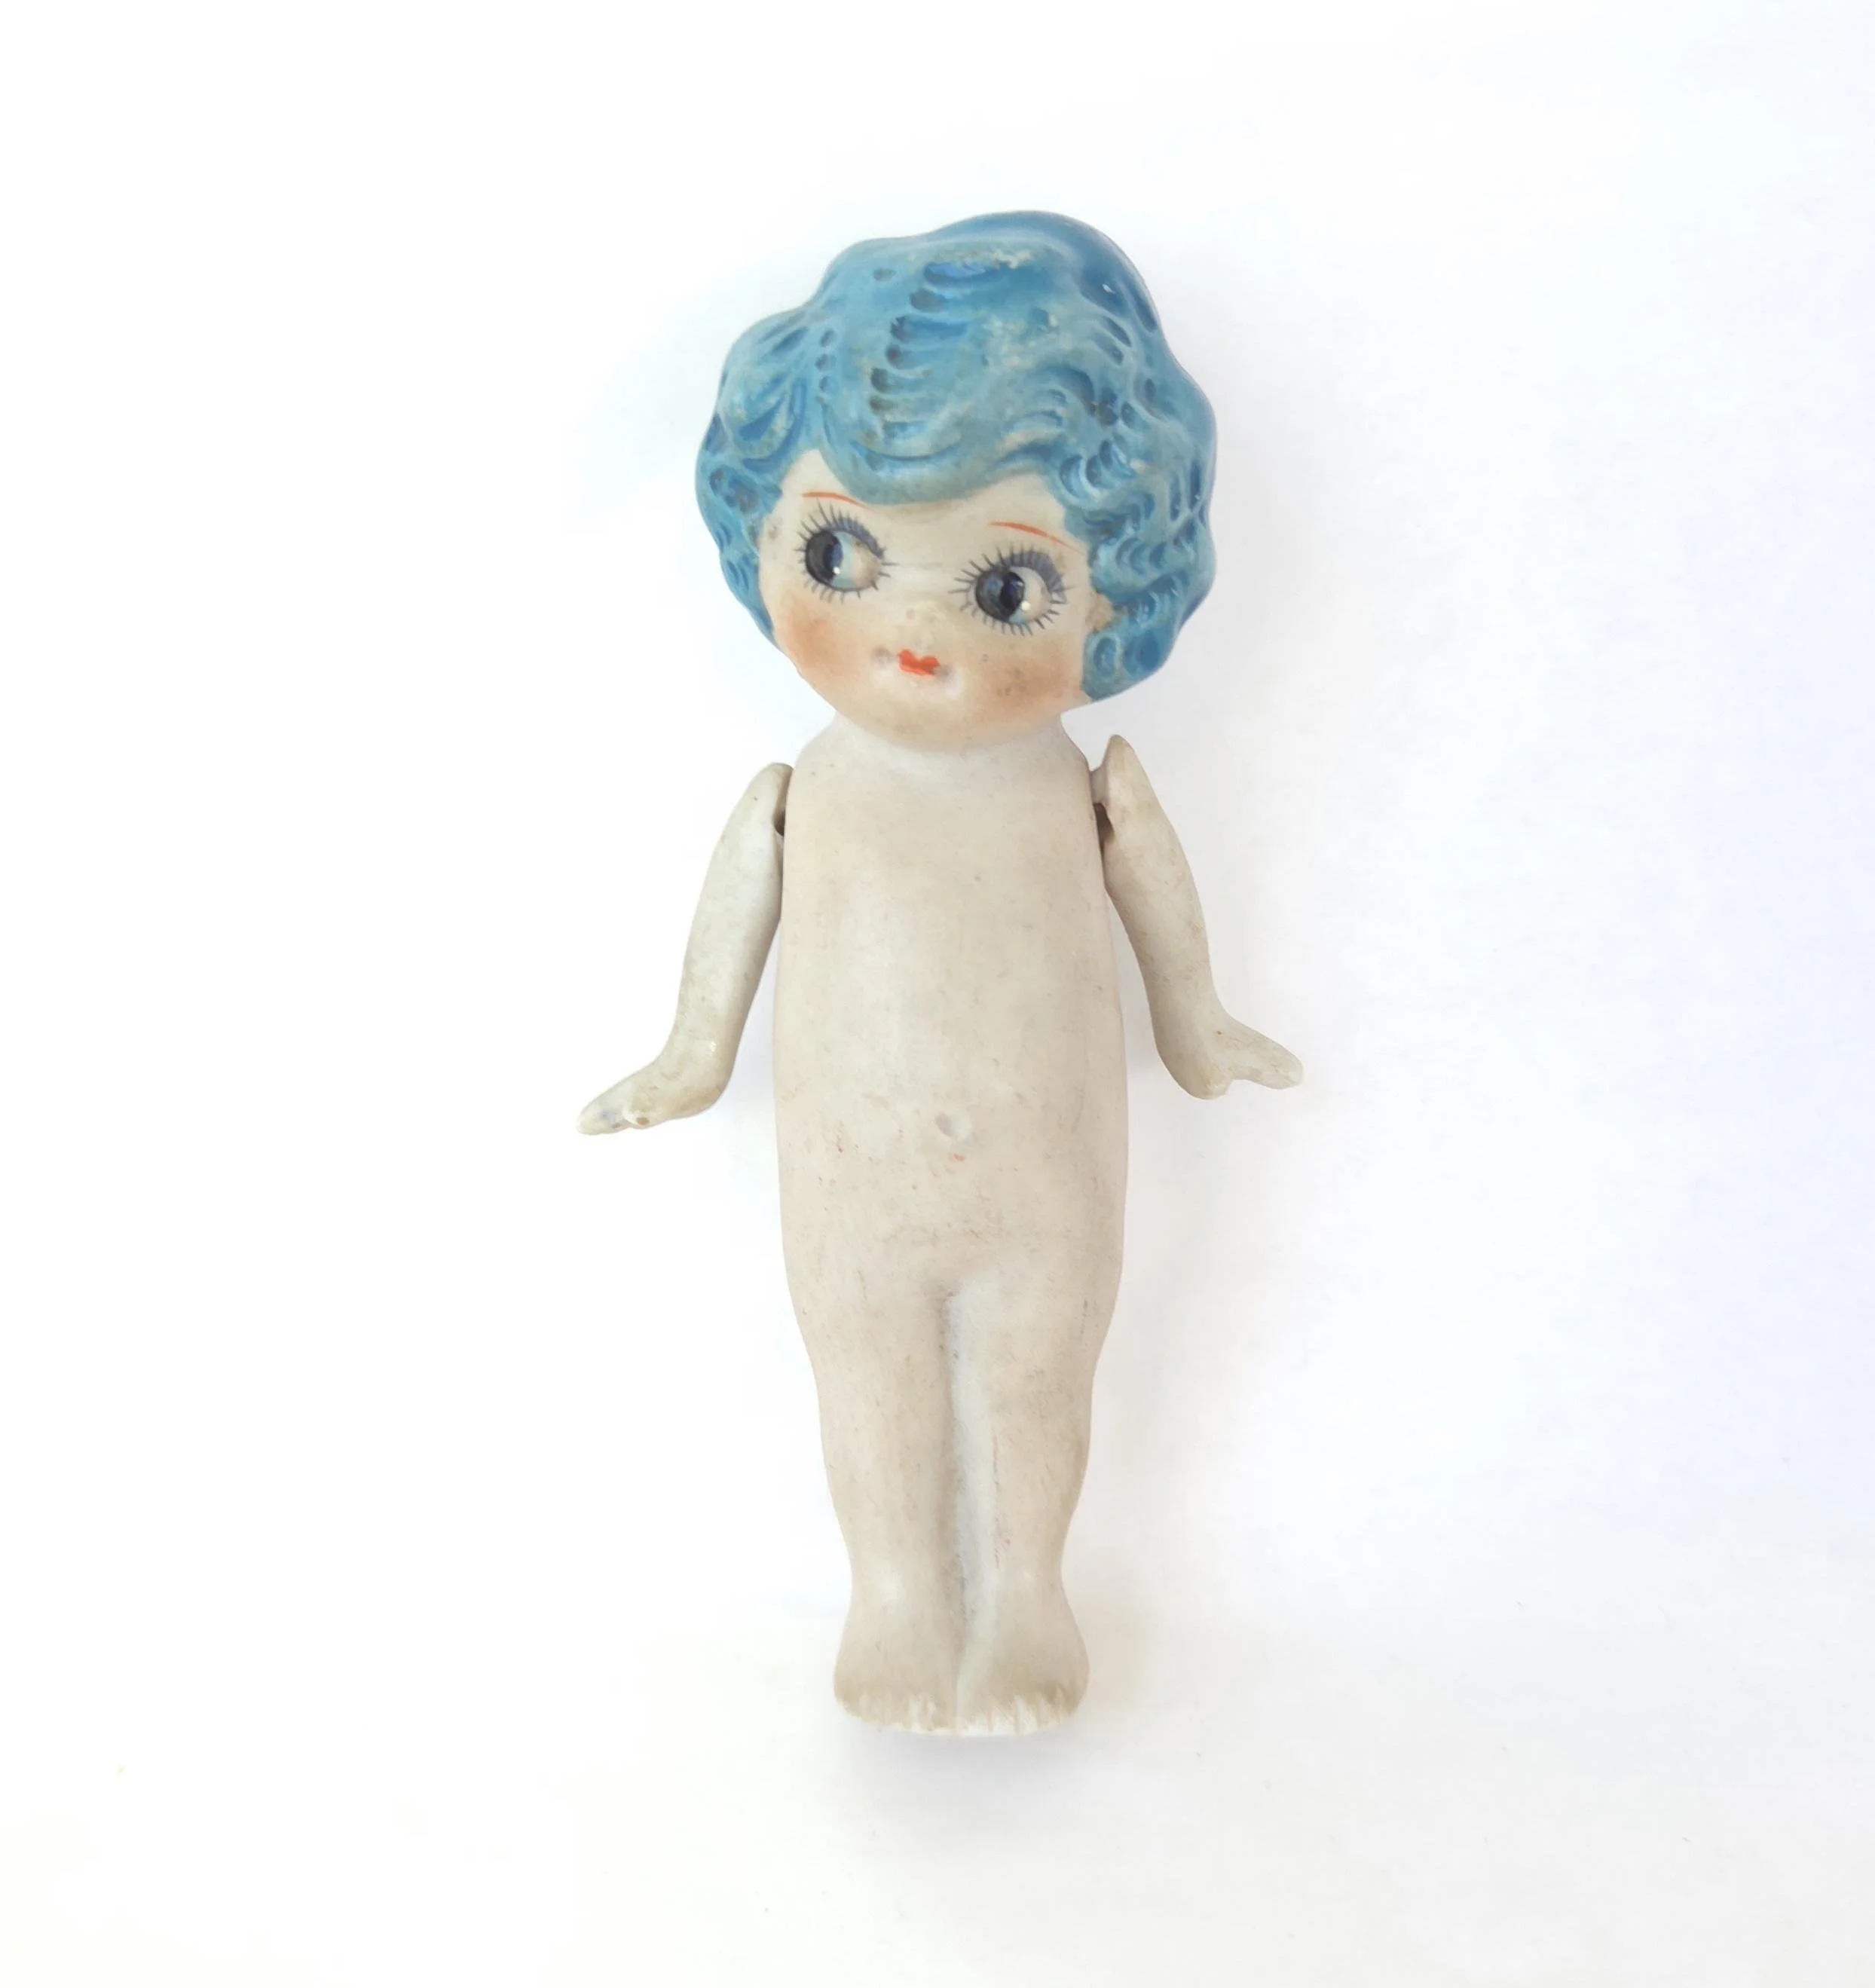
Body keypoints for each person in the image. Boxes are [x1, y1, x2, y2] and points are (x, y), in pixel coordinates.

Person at [581, 213, 1300, 1733]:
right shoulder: (804, 797)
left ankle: (1026, 1588)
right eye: (840, 557)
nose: (908, 632)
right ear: (762, 540)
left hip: (1047, 1168)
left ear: (1120, 593)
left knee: (1036, 1370)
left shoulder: (1082, 792)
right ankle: (897, 1595)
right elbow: (727, 949)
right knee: (871, 1372)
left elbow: (1158, 913)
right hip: (850, 1175)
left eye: (1002, 588)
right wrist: (689, 1059)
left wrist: (1199, 1027)